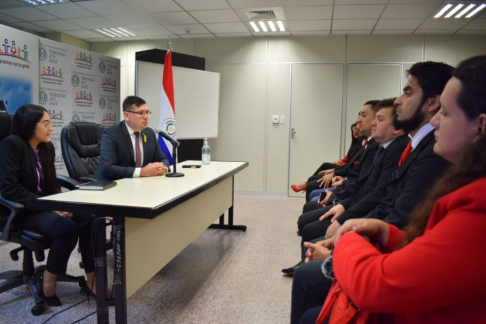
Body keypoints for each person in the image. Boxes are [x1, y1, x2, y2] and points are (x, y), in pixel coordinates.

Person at [302, 55, 486, 324]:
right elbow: (431, 247)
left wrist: (348, 236)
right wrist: (385, 232)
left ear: (480, 127)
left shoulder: (476, 203)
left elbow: (375, 285)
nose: (435, 122)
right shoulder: (463, 180)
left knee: (309, 297)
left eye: (445, 113)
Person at [0, 104, 96, 306]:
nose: (51, 128)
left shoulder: (46, 148)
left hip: (43, 205)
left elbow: (51, 185)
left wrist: (61, 205)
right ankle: (48, 284)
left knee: (88, 219)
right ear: (29, 125)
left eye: (50, 123)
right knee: (67, 229)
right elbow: (10, 189)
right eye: (46, 123)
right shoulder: (11, 145)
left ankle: (92, 280)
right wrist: (49, 207)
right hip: (19, 210)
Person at [94, 96, 169, 181]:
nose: (146, 117)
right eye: (141, 113)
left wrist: (162, 168)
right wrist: (143, 172)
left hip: (138, 184)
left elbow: (162, 159)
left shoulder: (149, 133)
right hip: (110, 185)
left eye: (147, 112)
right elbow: (108, 169)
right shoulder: (111, 134)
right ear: (127, 115)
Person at [290, 121, 361, 193]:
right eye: (353, 130)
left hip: (347, 174)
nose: (355, 131)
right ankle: (306, 183)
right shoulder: (356, 144)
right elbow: (349, 159)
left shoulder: (363, 146)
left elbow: (352, 165)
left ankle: (306, 184)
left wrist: (334, 172)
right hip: (344, 167)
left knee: (311, 185)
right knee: (324, 166)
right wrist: (341, 161)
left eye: (356, 129)